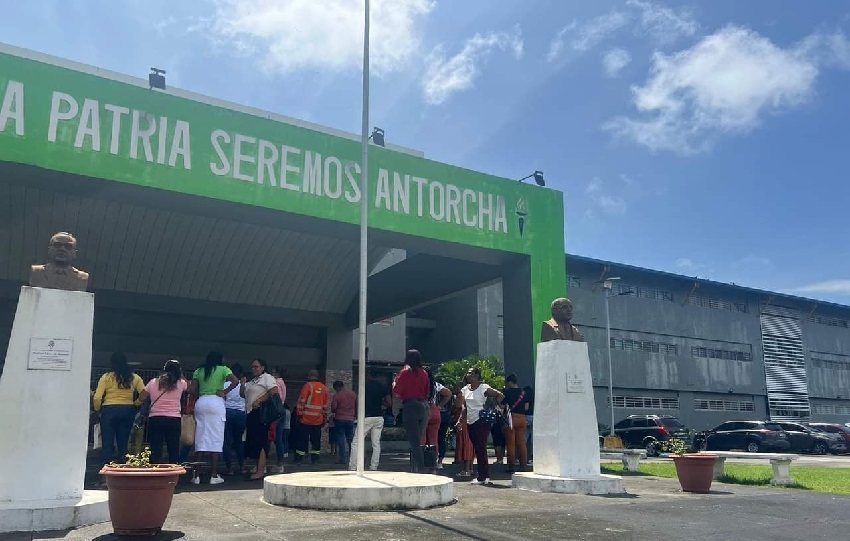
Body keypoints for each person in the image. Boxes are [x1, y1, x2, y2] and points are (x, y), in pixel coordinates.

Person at [189, 351, 239, 485]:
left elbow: (192, 389)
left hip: (201, 402)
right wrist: (225, 392)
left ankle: (196, 475)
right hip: (216, 402)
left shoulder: (199, 370)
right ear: (220, 359)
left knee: (200, 439)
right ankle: (214, 475)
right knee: (215, 439)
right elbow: (235, 381)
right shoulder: (223, 369)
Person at [93, 352, 144, 466]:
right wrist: (136, 404)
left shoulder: (106, 377)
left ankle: (105, 474)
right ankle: (123, 471)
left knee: (107, 443)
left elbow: (97, 397)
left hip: (109, 410)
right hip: (127, 410)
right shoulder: (134, 377)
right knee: (123, 443)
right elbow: (144, 393)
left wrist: (97, 410)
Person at [462, 366, 504, 484]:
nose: (468, 375)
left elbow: (499, 395)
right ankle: (483, 475)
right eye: (468, 373)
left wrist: (496, 405)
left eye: (471, 373)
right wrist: (461, 419)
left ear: (476, 376)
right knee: (477, 448)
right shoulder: (465, 389)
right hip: (470, 421)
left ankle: (483, 476)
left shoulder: (483, 388)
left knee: (481, 448)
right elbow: (464, 406)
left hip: (481, 421)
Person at [393, 350, 431, 473]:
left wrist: (394, 382)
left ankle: (420, 469)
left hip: (410, 406)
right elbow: (426, 391)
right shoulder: (424, 373)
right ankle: (417, 467)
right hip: (423, 406)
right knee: (419, 439)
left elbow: (397, 391)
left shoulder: (405, 372)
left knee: (414, 441)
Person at [241, 358, 278, 480]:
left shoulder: (267, 378)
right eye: (252, 367)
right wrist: (242, 384)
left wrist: (259, 400)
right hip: (251, 413)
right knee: (254, 442)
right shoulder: (252, 381)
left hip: (261, 413)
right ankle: (258, 467)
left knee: (261, 442)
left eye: (256, 367)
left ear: (263, 368)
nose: (254, 369)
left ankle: (261, 470)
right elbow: (243, 394)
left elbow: (273, 391)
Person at [349, 370, 391, 471]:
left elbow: (357, 401)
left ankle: (353, 466)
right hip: (379, 417)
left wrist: (357, 415)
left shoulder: (364, 386)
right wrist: (380, 403)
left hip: (366, 417)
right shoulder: (383, 387)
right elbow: (389, 403)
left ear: (368, 375)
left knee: (356, 442)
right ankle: (373, 466)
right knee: (376, 444)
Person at [294, 369, 329, 464]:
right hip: (318, 420)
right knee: (316, 440)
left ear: (310, 375)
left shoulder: (307, 386)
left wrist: (299, 414)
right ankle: (315, 459)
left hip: (305, 419)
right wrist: (324, 418)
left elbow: (302, 401)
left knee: (302, 439)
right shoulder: (324, 388)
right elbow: (325, 406)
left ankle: (299, 459)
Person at [422, 369, 452, 471]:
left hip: (422, 409)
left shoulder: (419, 384)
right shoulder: (435, 384)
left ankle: (422, 463)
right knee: (434, 440)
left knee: (422, 439)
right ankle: (433, 463)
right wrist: (439, 406)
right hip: (434, 410)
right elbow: (448, 393)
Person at [501, 373, 529, 472]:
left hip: (511, 419)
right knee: (522, 443)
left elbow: (502, 406)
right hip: (522, 418)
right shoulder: (523, 393)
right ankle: (523, 465)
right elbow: (526, 407)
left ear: (509, 382)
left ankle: (511, 466)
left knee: (511, 443)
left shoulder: (508, 392)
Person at [223, 363, 247, 475]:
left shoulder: (225, 384)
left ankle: (229, 468)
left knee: (227, 441)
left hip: (228, 412)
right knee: (239, 442)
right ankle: (242, 467)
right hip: (241, 413)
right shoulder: (244, 385)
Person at [331, 381, 356, 465]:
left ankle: (342, 459)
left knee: (341, 439)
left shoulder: (337, 395)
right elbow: (356, 405)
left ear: (337, 387)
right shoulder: (352, 394)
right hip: (350, 419)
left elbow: (334, 408)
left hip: (340, 419)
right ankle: (354, 457)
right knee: (351, 439)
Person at [452, 386, 474, 478]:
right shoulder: (475, 394)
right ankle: (470, 468)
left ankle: (467, 469)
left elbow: (461, 408)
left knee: (466, 444)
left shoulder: (463, 394)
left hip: (466, 421)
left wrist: (459, 421)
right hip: (473, 420)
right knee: (470, 444)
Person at [271, 367, 287, 469]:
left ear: (277, 373)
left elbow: (276, 398)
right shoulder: (282, 383)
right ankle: (280, 463)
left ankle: (261, 464)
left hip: (275, 412)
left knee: (268, 437)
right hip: (281, 411)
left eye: (272, 372)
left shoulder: (276, 383)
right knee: (279, 438)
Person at [524, 385, 535, 463]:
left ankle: (524, 458)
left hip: (527, 417)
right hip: (535, 417)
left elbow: (526, 408)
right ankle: (533, 457)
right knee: (533, 440)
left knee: (524, 439)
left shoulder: (526, 397)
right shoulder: (535, 397)